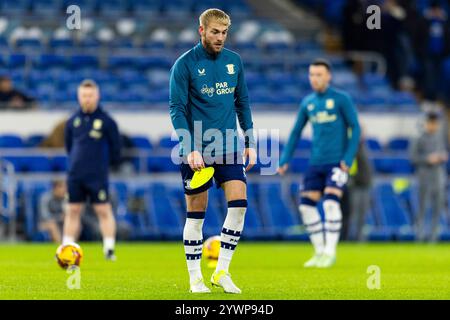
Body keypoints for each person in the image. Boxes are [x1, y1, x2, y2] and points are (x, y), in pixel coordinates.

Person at [169, 8, 257, 293]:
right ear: (202, 31)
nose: (220, 38)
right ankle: (195, 277)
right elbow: (177, 109)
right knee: (197, 213)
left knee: (239, 206)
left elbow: (242, 103)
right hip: (198, 150)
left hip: (229, 146)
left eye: (224, 33)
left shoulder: (234, 62)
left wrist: (250, 142)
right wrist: (189, 147)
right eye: (215, 32)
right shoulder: (184, 65)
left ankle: (221, 271)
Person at [277, 59, 361, 268]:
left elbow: (356, 128)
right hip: (316, 163)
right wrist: (284, 159)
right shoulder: (308, 102)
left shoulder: (341, 99)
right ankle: (319, 251)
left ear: (328, 76)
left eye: (319, 74)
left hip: (337, 164)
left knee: (331, 202)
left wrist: (348, 159)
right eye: (312, 75)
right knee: (306, 207)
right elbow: (296, 132)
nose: (315, 79)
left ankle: (330, 252)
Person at [62, 79, 121, 260]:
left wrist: (103, 166)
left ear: (97, 96)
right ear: (79, 97)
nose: (87, 99)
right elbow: (69, 146)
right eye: (84, 96)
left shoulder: (107, 121)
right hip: (75, 175)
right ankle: (66, 249)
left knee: (103, 210)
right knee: (72, 210)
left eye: (90, 95)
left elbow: (116, 149)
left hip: (97, 175)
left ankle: (109, 249)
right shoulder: (72, 121)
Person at [410, 111, 448, 242]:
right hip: (424, 177)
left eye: (435, 123)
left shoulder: (440, 137)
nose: (434, 126)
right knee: (422, 207)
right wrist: (427, 159)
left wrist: (442, 156)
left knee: (437, 207)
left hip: (438, 177)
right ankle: (420, 236)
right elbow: (412, 158)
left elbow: (444, 152)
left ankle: (433, 237)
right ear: (427, 123)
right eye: (431, 123)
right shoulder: (418, 137)